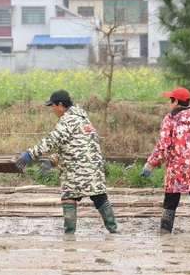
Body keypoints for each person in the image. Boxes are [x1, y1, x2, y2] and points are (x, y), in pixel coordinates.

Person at [15, 89, 118, 235]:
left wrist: (30, 153)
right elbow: (74, 146)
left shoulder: (67, 120)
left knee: (69, 197)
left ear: (61, 105)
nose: (52, 109)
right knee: (99, 197)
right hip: (93, 169)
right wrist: (53, 159)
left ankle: (69, 234)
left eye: (53, 106)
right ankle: (113, 230)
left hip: (76, 171)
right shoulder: (83, 119)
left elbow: (52, 141)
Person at [141, 86, 190, 234]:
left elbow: (163, 144)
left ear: (175, 101)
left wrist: (151, 163)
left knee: (171, 200)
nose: (169, 102)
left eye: (170, 99)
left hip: (176, 167)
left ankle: (165, 231)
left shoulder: (170, 118)